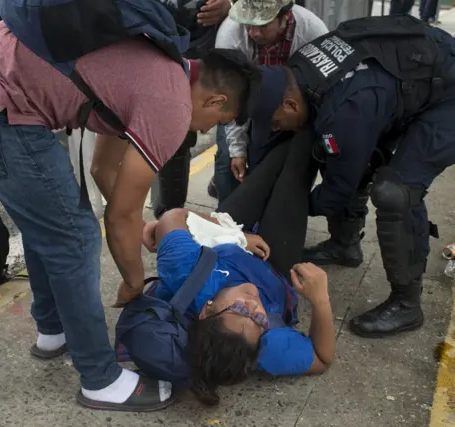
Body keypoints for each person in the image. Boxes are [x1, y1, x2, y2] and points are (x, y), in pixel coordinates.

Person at [0, 12, 260, 410]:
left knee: (51, 222)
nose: (209, 127)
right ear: (215, 100)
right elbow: (116, 216)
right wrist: (134, 280)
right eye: (219, 120)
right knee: (75, 236)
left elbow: (104, 169)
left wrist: (135, 223)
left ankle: (53, 330)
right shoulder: (171, 105)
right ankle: (99, 379)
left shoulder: (163, 65)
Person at [243, 15, 455, 338]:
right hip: (404, 82)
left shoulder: (345, 108)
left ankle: (407, 303)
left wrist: (292, 206)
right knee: (338, 149)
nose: (278, 129)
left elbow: (337, 192)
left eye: (277, 123)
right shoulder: (300, 72)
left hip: (450, 95)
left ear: (289, 103)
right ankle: (345, 246)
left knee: (395, 190)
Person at [124, 128, 334, 405]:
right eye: (259, 319)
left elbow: (175, 216)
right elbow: (322, 357)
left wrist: (239, 237)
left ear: (206, 310)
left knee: (270, 165)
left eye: (239, 309)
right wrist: (320, 300)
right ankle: (313, 123)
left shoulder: (185, 271)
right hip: (276, 264)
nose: (254, 305)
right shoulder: (265, 346)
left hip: (229, 235)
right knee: (298, 159)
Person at [91, 0, 234, 220]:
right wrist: (131, 221)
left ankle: (166, 214)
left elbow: (102, 168)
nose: (207, 131)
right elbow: (103, 168)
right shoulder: (141, 83)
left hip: (183, 51)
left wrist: (231, 5)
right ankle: (164, 216)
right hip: (151, 51)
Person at [208, 0, 328, 203]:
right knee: (227, 159)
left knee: (288, 161)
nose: (253, 33)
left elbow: (322, 90)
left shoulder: (313, 32)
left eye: (262, 25)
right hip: (241, 99)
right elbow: (230, 98)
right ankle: (226, 213)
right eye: (248, 24)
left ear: (285, 18)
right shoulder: (230, 34)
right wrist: (237, 149)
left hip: (292, 103)